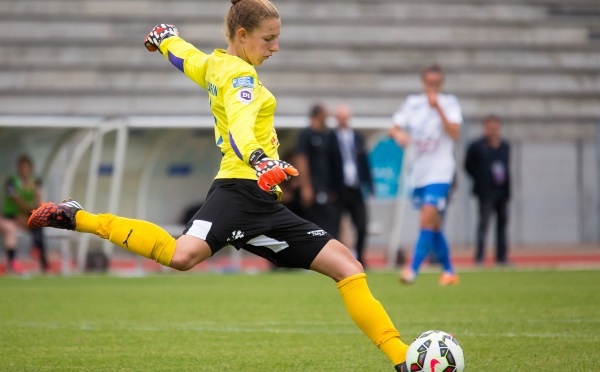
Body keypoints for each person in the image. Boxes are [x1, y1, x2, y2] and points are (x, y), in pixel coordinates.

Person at [28, 1, 411, 370]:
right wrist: (261, 160)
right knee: (181, 257)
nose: (276, 47)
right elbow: (241, 128)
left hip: (264, 203)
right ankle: (81, 218)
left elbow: (185, 57)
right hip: (239, 191)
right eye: (268, 39)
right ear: (242, 35)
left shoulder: (215, 65)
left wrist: (165, 39)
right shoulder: (243, 77)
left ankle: (403, 358)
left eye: (277, 38)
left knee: (348, 265)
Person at [389, 64, 462, 286]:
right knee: (434, 224)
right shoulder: (413, 103)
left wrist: (438, 107)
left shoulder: (449, 103)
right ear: (423, 82)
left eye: (436, 83)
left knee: (426, 217)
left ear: (441, 84)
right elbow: (394, 127)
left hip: (440, 172)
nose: (432, 87)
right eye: (429, 83)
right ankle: (449, 271)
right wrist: (398, 135)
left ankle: (413, 269)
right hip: (419, 172)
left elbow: (455, 133)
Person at [329, 104, 373, 267]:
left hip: (355, 188)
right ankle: (336, 260)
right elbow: (328, 165)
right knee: (335, 227)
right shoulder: (330, 137)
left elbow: (364, 162)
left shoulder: (357, 137)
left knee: (361, 225)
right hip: (338, 190)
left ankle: (360, 257)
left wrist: (369, 183)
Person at [465, 114, 511, 265]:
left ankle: (501, 257)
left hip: (501, 191)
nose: (493, 131)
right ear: (485, 128)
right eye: (490, 128)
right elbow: (468, 165)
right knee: (483, 224)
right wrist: (480, 179)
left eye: (495, 128)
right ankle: (479, 257)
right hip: (485, 192)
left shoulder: (504, 146)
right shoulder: (477, 146)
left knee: (502, 225)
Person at [295, 103, 339, 238]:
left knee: (331, 225)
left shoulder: (327, 135)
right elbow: (301, 159)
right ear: (319, 114)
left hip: (325, 188)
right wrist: (306, 187)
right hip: (313, 187)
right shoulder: (306, 134)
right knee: (315, 225)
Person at [1, 154, 47, 273]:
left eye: (26, 167)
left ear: (30, 168)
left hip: (26, 214)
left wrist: (34, 210)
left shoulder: (36, 181)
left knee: (38, 223)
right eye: (22, 167)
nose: (24, 170)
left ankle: (41, 258)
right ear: (18, 168)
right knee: (14, 228)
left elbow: (38, 199)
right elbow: (17, 201)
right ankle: (14, 262)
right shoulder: (11, 182)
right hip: (11, 215)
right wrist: (29, 210)